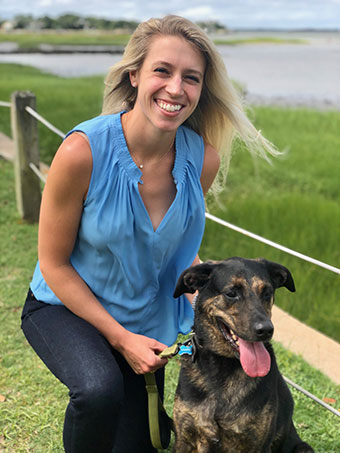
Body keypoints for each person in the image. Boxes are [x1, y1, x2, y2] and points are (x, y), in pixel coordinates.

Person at [21, 15, 278, 453]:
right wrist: (121, 340)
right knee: (99, 390)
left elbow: (174, 250)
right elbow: (54, 264)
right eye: (163, 70)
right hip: (66, 306)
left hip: (145, 324)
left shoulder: (202, 160)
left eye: (191, 78)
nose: (176, 89)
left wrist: (234, 308)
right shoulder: (81, 151)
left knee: (141, 444)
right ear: (134, 75)